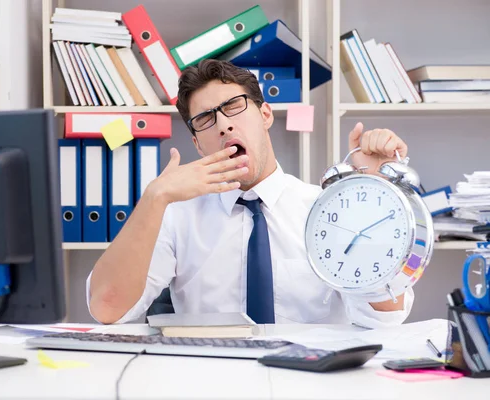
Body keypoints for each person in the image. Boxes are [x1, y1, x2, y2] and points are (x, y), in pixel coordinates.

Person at [87, 59, 413, 328]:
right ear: (198, 144)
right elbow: (107, 309)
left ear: (265, 114)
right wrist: (154, 198)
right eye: (205, 119)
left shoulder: (326, 209)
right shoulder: (176, 215)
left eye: (233, 107)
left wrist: (373, 192)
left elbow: (385, 316)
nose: (223, 126)